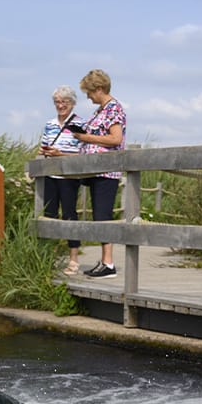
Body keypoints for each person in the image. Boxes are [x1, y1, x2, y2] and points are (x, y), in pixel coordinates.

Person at [73, 69, 126, 278]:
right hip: (95, 170)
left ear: (100, 89)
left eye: (90, 92)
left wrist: (86, 138)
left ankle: (109, 263)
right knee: (98, 215)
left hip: (107, 170)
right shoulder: (100, 111)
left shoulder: (114, 109)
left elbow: (115, 139)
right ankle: (104, 261)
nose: (88, 96)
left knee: (103, 215)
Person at [37, 85, 84, 274]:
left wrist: (60, 154)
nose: (60, 105)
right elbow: (43, 146)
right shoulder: (50, 124)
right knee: (49, 215)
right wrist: (44, 152)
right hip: (50, 175)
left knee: (69, 214)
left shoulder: (80, 123)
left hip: (69, 177)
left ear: (72, 103)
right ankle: (49, 256)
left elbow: (82, 153)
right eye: (57, 101)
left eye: (64, 101)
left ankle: (73, 259)